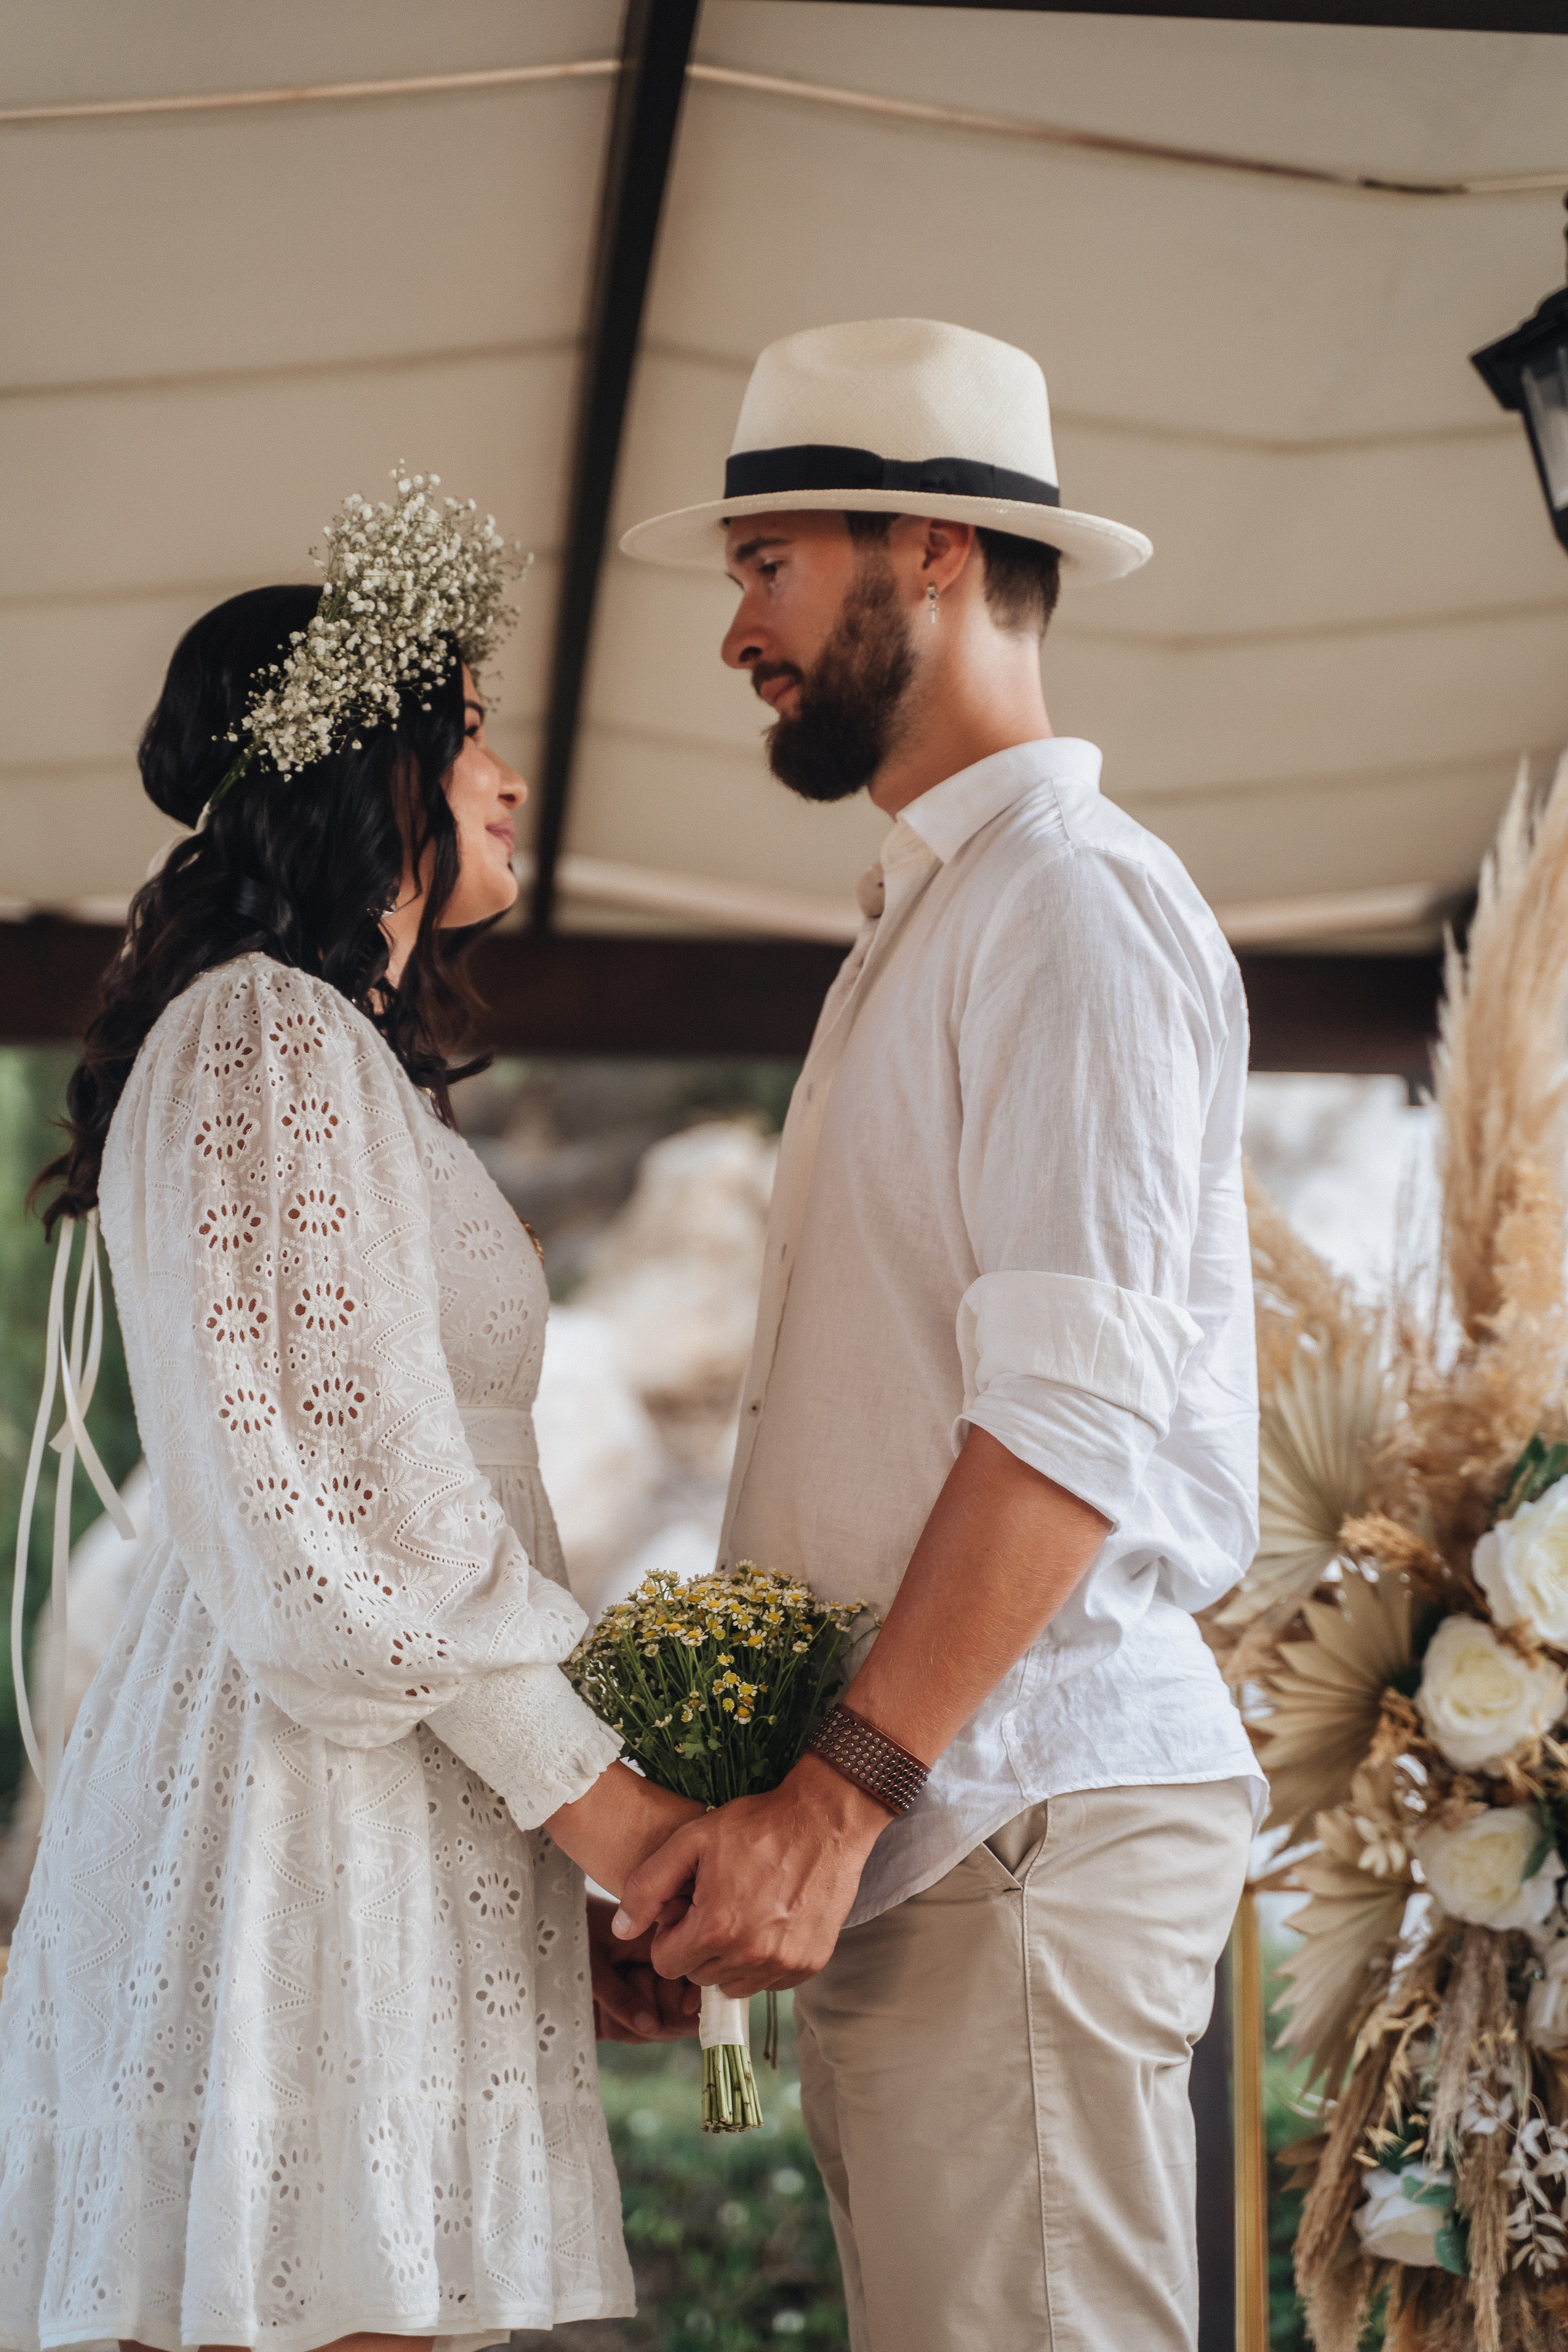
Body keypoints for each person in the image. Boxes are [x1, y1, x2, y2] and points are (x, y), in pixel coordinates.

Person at [612, 320, 1265, 2351]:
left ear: (934, 549)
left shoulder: (1070, 905)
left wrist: (826, 1808)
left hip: (1010, 1813)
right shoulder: (940, 914)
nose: (737, 630)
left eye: (769, 564)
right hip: (936, 1825)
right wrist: (761, 1823)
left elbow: (1070, 1420)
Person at [0, 476, 700, 2352]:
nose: (510, 780)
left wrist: (562, 1838)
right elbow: (352, 1521)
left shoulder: (348, 1065)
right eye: (469, 735)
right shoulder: (267, 1034)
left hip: (397, 1797)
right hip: (308, 1809)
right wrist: (620, 1827)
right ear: (367, 765)